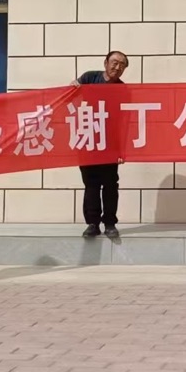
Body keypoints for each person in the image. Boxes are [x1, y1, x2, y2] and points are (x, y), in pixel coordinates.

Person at [73, 50, 128, 239]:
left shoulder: (122, 89)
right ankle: (92, 223)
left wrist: (122, 149)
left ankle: (110, 223)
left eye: (122, 65)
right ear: (105, 63)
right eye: (114, 62)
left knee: (111, 184)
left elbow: (124, 120)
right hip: (88, 139)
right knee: (91, 184)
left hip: (110, 143)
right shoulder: (90, 78)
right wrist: (73, 86)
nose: (117, 67)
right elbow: (71, 94)